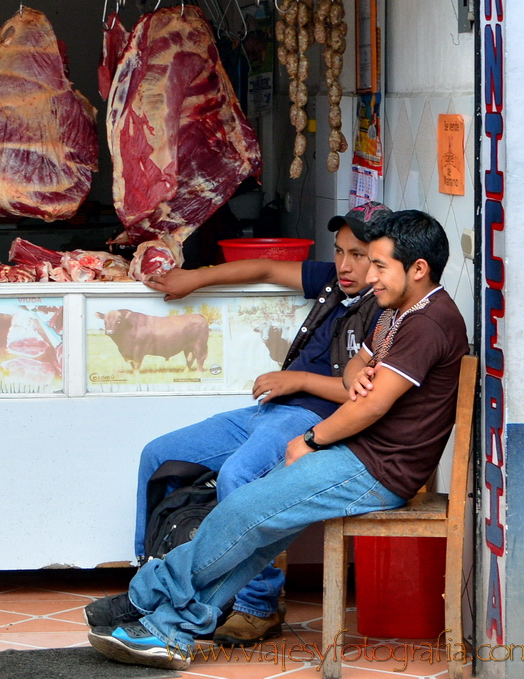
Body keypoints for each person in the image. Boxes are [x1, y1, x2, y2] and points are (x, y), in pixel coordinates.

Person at [85, 209, 469, 671]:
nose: (369, 274)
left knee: (247, 509)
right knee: (261, 534)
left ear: (418, 269)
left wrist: (311, 438)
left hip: (379, 469)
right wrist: (359, 373)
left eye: (380, 265)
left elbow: (368, 405)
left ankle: (147, 597)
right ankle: (170, 629)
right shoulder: (396, 311)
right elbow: (354, 372)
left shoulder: (429, 323)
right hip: (358, 453)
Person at [121, 202, 392, 646]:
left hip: (311, 417)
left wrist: (300, 379)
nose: (345, 265)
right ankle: (154, 579)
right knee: (160, 455)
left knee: (240, 475)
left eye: (358, 255)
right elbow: (267, 267)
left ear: (384, 257)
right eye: (340, 251)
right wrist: (194, 278)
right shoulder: (332, 281)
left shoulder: (385, 310)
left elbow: (364, 395)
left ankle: (256, 606)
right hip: (268, 411)